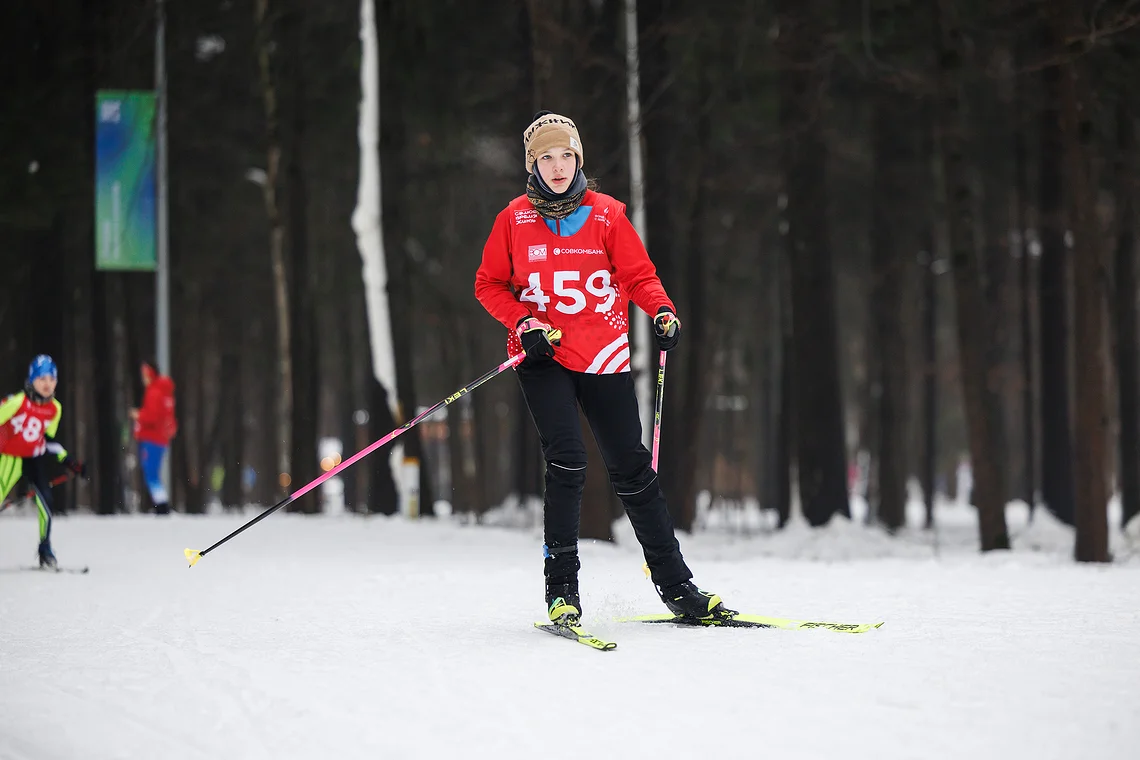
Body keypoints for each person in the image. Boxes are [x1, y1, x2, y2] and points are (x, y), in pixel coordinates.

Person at [474, 111, 731, 624]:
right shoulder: (512, 219)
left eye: (566, 155)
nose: (558, 166)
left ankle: (678, 587)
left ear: (578, 158)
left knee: (632, 468)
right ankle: (562, 592)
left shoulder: (607, 215)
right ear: (533, 164)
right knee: (567, 461)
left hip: (604, 353)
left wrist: (661, 309)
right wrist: (524, 323)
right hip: (543, 355)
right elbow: (489, 284)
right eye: (546, 157)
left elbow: (638, 276)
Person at [0, 355, 86, 568]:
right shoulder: (18, 401)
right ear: (32, 380)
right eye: (42, 379)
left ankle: (45, 549)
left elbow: (48, 440)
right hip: (10, 456)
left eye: (52, 379)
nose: (47, 384)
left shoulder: (55, 408)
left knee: (46, 503)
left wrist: (69, 460)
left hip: (34, 458)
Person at [130, 359, 177, 515]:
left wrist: (138, 415)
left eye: (145, 373)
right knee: (152, 472)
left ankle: (162, 506)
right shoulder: (162, 391)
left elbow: (153, 416)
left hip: (152, 438)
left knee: (151, 473)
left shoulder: (154, 392)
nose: (143, 377)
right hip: (159, 438)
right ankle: (161, 505)